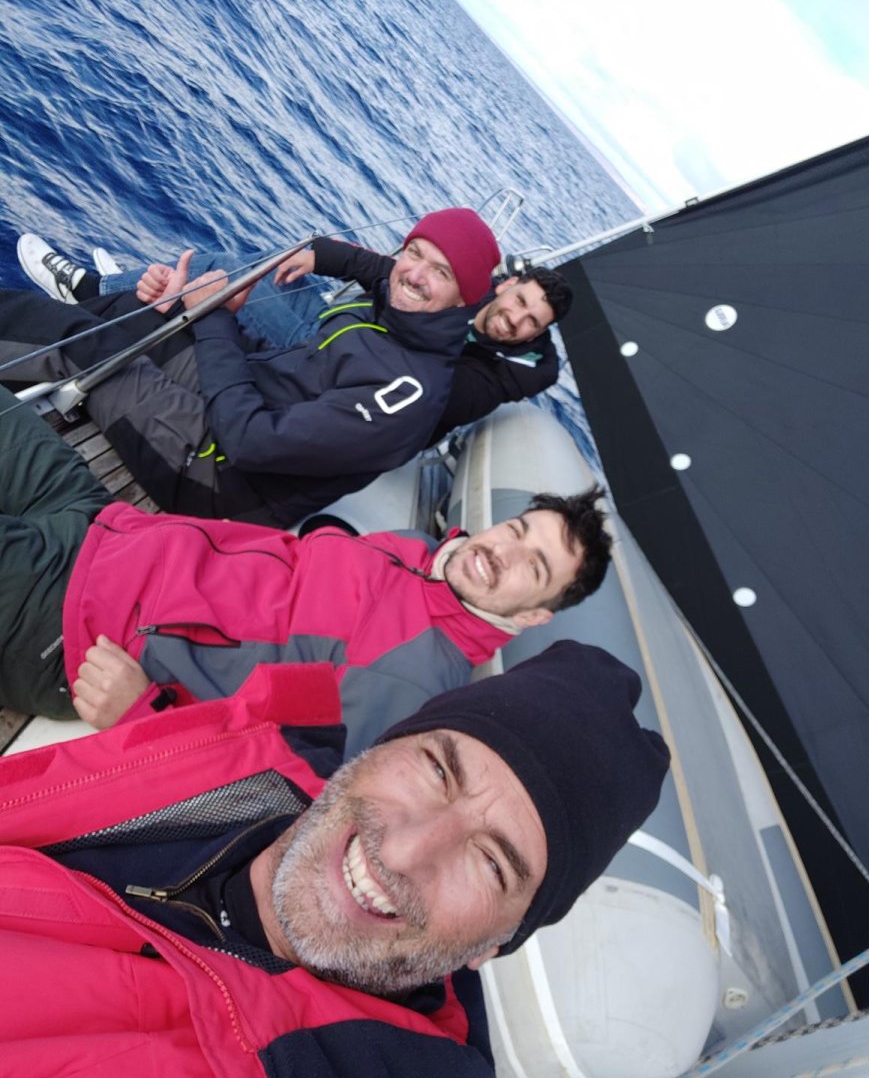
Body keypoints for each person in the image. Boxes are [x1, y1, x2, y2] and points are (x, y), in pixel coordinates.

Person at [0, 639, 670, 1076]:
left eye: (492, 864)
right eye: (436, 769)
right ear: (379, 748)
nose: (404, 852)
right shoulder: (250, 752)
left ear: (494, 945)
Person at [0, 387, 611, 755]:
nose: (503, 550)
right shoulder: (421, 552)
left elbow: (279, 789)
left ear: (535, 615)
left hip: (75, 621)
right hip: (105, 523)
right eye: (518, 529)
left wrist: (141, 716)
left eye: (533, 566)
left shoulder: (412, 678)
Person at [1, 209, 499, 527]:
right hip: (236, 406)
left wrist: (215, 318)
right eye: (414, 253)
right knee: (144, 309)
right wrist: (190, 312)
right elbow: (290, 368)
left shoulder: (408, 393)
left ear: (465, 298)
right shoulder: (394, 313)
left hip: (216, 477)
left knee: (78, 339)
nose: (414, 274)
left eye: (441, 271)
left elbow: (250, 441)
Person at [17, 228, 573, 441]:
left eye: (532, 324)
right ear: (506, 284)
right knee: (257, 264)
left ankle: (96, 290)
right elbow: (390, 273)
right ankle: (127, 289)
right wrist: (321, 254)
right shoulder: (458, 291)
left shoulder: (490, 379)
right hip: (339, 338)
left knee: (224, 276)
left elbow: (406, 379)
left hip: (333, 364)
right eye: (520, 303)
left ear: (537, 337)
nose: (516, 321)